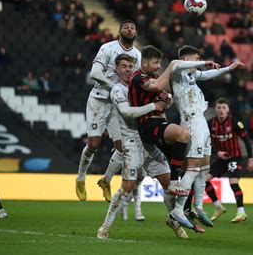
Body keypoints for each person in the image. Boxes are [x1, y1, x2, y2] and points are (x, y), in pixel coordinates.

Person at [97, 54, 187, 239]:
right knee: (127, 186)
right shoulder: (118, 90)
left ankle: (175, 223)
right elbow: (127, 112)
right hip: (131, 141)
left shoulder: (141, 84)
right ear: (117, 70)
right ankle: (105, 226)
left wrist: (166, 100)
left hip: (149, 140)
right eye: (124, 66)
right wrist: (155, 105)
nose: (128, 69)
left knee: (168, 183)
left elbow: (162, 97)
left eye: (131, 66)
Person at [128, 45, 218, 229]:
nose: (158, 66)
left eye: (160, 63)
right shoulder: (138, 78)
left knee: (190, 166)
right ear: (144, 62)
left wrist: (166, 100)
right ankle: (175, 187)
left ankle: (186, 210)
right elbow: (157, 86)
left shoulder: (153, 77)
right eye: (156, 63)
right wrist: (170, 67)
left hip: (158, 125)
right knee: (182, 134)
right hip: (147, 126)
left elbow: (165, 94)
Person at [170, 45, 245, 230]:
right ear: (189, 60)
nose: (199, 62)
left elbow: (208, 75)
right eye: (196, 58)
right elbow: (179, 65)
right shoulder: (178, 72)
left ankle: (198, 207)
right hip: (190, 122)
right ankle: (178, 209)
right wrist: (204, 62)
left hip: (201, 121)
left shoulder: (192, 76)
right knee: (193, 168)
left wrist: (229, 68)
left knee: (204, 169)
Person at [76, 20, 141, 203]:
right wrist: (116, 88)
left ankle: (106, 180)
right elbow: (95, 74)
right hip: (99, 99)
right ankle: (81, 178)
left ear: (136, 32)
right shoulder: (107, 48)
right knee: (94, 144)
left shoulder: (137, 54)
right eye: (126, 27)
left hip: (117, 105)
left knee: (123, 147)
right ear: (120, 31)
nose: (129, 29)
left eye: (133, 27)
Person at [205, 98, 253, 223]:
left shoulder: (234, 122)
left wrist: (250, 159)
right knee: (203, 180)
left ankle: (241, 212)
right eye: (219, 107)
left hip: (235, 157)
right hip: (221, 159)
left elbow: (246, 140)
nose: (221, 110)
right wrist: (217, 152)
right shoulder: (210, 123)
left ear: (228, 110)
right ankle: (218, 207)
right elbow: (206, 141)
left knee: (233, 182)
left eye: (224, 108)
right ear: (215, 110)